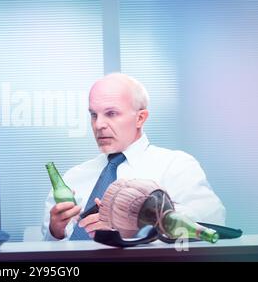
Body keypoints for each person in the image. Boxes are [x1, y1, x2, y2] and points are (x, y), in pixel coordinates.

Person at [42, 73, 226, 241]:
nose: (98, 125)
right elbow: (47, 245)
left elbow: (212, 219)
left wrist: (135, 223)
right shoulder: (74, 176)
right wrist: (55, 231)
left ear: (140, 118)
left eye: (111, 113)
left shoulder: (176, 165)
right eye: (93, 115)